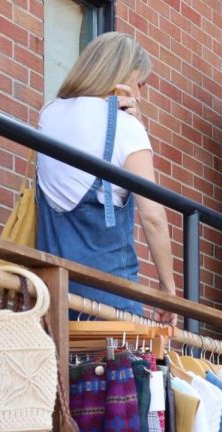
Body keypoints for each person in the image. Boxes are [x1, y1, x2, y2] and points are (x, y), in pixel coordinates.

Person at [37, 32, 177, 324]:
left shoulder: (48, 114)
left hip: (51, 292)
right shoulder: (125, 128)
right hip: (110, 298)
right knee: (126, 368)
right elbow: (152, 217)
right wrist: (167, 288)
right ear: (122, 74)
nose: (139, 95)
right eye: (140, 84)